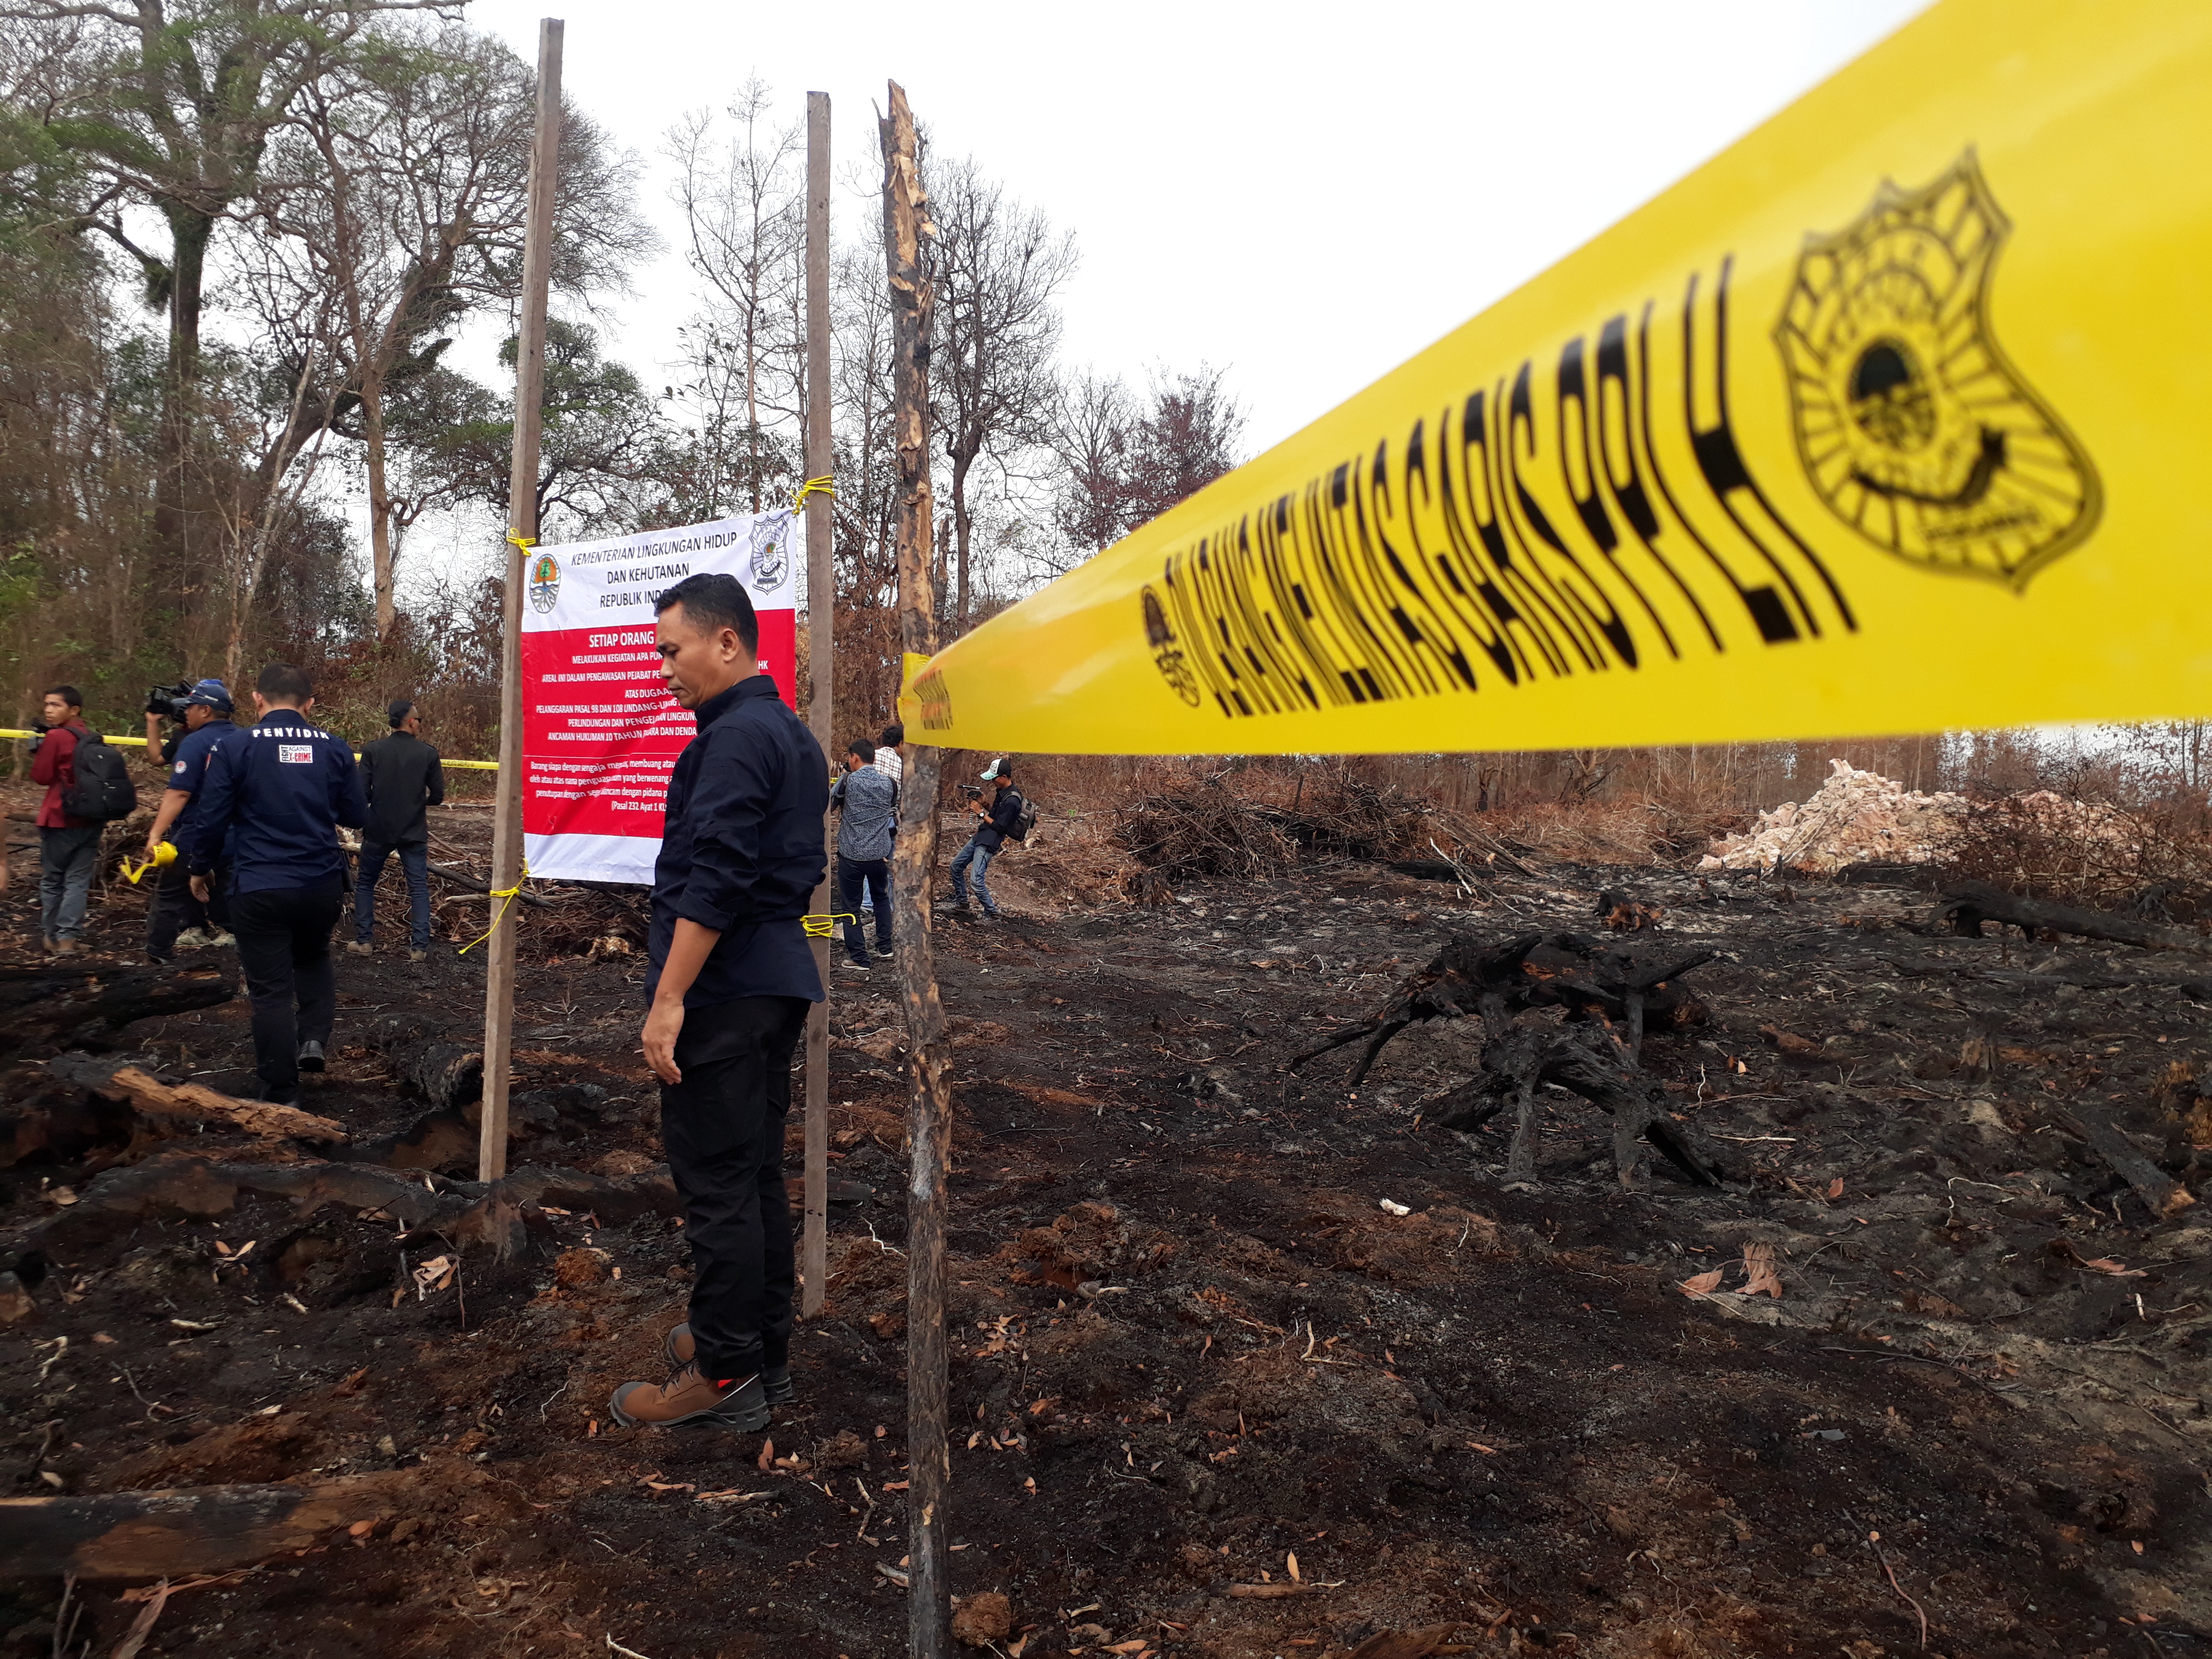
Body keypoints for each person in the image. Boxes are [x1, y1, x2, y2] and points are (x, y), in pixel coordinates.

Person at [609, 572, 827, 1434]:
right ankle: (757, 1350)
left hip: (727, 990)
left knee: (717, 1189)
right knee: (752, 1178)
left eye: (672, 650)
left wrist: (670, 998)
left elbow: (720, 874)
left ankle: (726, 1377)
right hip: (774, 982)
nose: (663, 668)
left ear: (726, 642)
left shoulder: (734, 739)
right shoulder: (790, 734)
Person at [184, 663, 367, 1105]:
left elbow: (211, 819)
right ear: (309, 704)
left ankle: (281, 1092)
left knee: (269, 992)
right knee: (313, 955)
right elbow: (357, 816)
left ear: (256, 699)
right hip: (320, 882)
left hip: (260, 884)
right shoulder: (335, 748)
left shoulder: (235, 747)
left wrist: (200, 866)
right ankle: (313, 1039)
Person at [141, 679, 237, 963]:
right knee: (234, 895)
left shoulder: (196, 741)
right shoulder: (245, 739)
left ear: (206, 710)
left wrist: (156, 835)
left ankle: (157, 955)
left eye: (191, 708)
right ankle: (252, 959)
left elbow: (180, 792)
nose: (186, 713)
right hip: (237, 836)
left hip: (196, 833)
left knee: (170, 894)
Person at [348, 699, 445, 962]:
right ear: (411, 722)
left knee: (366, 883)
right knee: (418, 888)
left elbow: (362, 791)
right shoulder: (428, 753)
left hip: (379, 828)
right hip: (413, 831)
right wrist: (417, 803)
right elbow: (438, 795)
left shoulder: (373, 751)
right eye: (419, 719)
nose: (420, 724)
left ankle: (365, 941)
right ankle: (419, 948)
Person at [31, 685, 99, 955]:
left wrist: (38, 752)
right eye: (47, 704)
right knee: (78, 881)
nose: (48, 710)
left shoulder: (57, 736)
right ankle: (69, 939)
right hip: (91, 818)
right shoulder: (93, 737)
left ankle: (51, 937)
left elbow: (41, 777)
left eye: (56, 705)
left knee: (53, 879)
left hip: (59, 817)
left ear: (74, 710)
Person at [829, 738, 896, 973]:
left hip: (852, 855)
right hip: (880, 854)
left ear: (855, 757)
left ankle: (859, 957)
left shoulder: (847, 780)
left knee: (851, 906)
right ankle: (885, 947)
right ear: (874, 759)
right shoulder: (889, 783)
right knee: (881, 899)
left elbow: (829, 805)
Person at [947, 756, 1023, 919]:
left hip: (989, 842)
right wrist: (985, 805)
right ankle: (962, 903)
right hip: (981, 837)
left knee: (976, 881)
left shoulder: (1013, 800)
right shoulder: (1003, 793)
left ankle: (991, 912)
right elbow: (996, 815)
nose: (993, 782)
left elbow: (1000, 826)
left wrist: (980, 813)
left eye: (995, 778)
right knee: (956, 867)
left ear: (1004, 777)